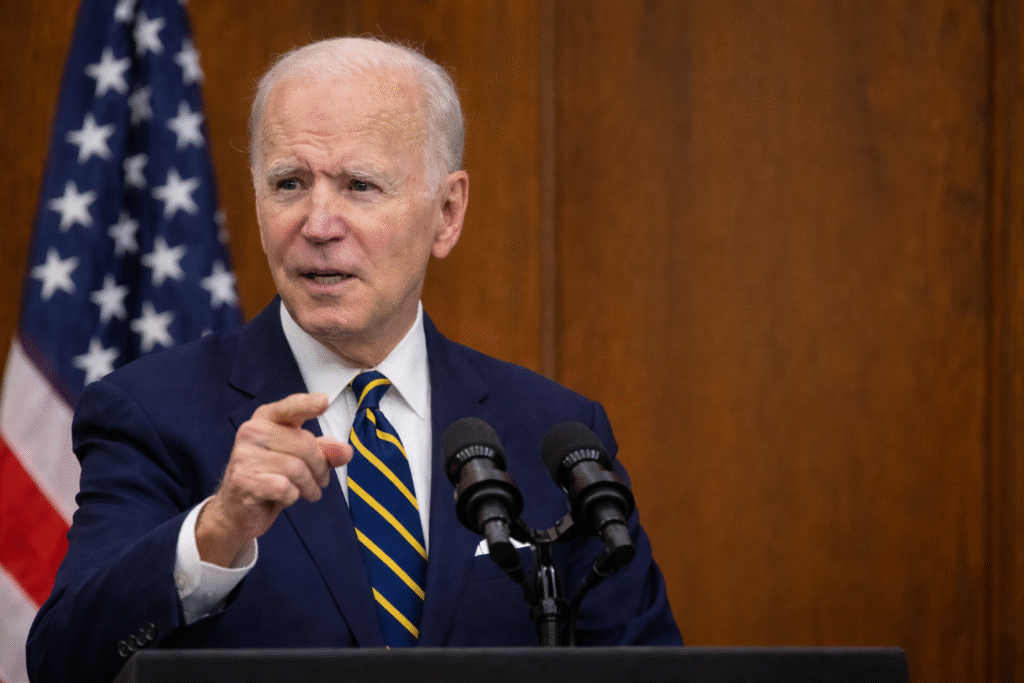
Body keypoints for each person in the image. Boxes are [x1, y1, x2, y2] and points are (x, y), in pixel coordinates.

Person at [26, 36, 681, 683]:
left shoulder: (555, 432)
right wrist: (217, 530)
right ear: (257, 204)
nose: (317, 223)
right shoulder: (150, 413)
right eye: (289, 183)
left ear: (447, 213)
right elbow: (63, 663)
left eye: (359, 185)